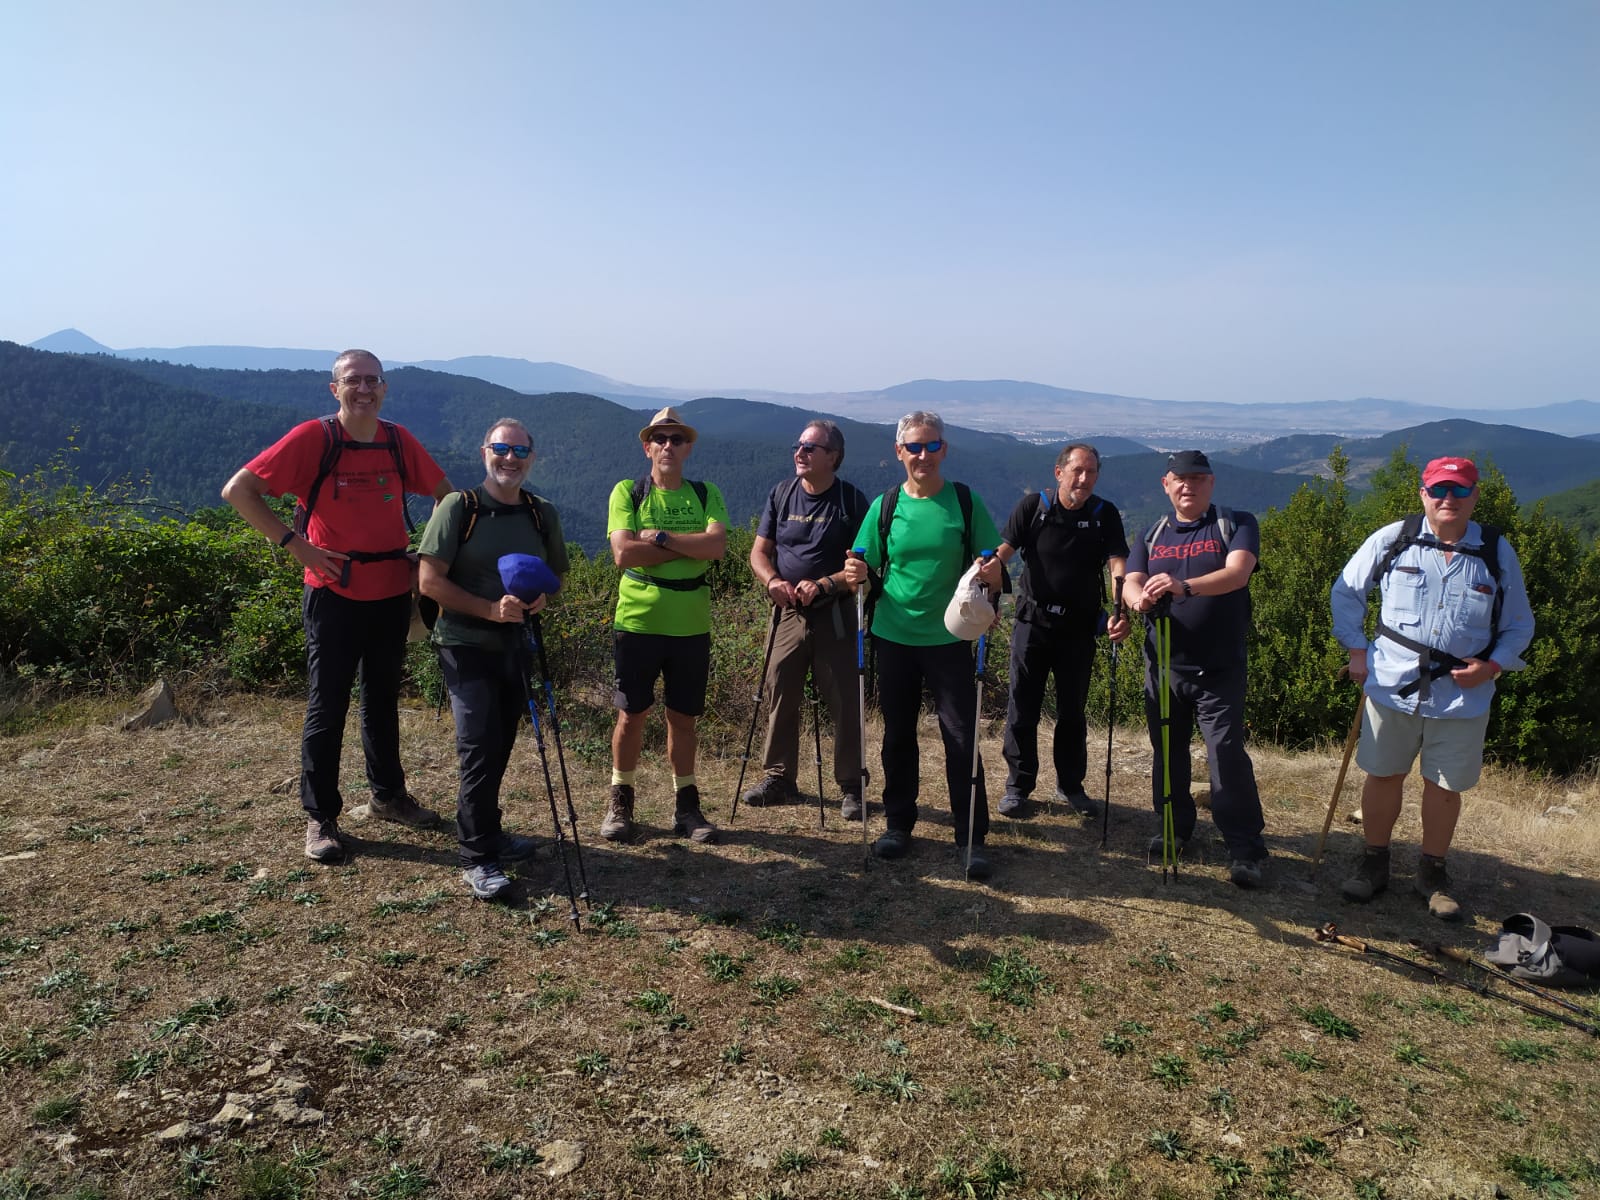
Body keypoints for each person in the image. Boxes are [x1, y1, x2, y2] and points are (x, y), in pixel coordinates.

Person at [222, 349, 452, 863]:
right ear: (335, 389)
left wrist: (427, 559)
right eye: (353, 380)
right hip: (333, 594)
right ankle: (321, 816)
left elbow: (447, 497)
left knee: (382, 701)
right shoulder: (315, 438)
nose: (363, 389)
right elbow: (239, 491)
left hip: (390, 592)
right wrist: (296, 545)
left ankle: (387, 796)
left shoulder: (397, 440)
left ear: (384, 388)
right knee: (328, 706)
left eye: (372, 380)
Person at [1329, 456, 1534, 920]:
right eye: (1439, 489)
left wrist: (1493, 666)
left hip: (1463, 694)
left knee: (1444, 786)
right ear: (1423, 493)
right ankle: (1373, 863)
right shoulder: (1394, 538)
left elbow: (1519, 623)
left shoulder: (1496, 551)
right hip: (1393, 682)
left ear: (1474, 496)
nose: (1448, 499)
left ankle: (1432, 874)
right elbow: (1346, 591)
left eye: (1460, 490)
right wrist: (1356, 649)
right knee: (1383, 774)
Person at [842, 412, 1005, 878]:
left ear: (944, 450)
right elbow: (863, 569)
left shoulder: (964, 502)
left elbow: (993, 565)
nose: (923, 455)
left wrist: (993, 574)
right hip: (893, 637)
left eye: (932, 446)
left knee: (961, 737)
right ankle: (898, 825)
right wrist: (856, 574)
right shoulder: (886, 505)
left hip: (951, 637)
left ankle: (970, 835)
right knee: (897, 735)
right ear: (899, 452)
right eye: (914, 447)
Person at [416, 419, 570, 901]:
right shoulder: (458, 508)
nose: (510, 458)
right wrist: (488, 609)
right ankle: (477, 857)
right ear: (485, 452)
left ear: (532, 458)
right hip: (464, 643)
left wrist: (542, 598)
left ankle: (490, 832)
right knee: (479, 745)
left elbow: (556, 576)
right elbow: (429, 581)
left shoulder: (541, 513)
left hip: (515, 646)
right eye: (501, 449)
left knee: (500, 742)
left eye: (520, 451)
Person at [1121, 450, 1269, 888]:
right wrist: (1137, 600)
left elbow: (1238, 573)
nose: (1188, 485)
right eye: (1180, 479)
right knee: (1167, 751)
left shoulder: (1235, 523)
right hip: (1163, 665)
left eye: (1198, 478)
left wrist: (1183, 587)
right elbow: (1131, 579)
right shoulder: (1153, 533)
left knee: (1225, 754)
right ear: (1166, 484)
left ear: (1211, 483)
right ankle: (1173, 829)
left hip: (1218, 667)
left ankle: (1244, 848)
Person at [602, 406, 729, 844]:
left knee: (683, 719)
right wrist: (689, 546)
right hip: (637, 622)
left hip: (691, 625)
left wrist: (658, 538)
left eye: (677, 439)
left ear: (688, 447)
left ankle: (687, 808)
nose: (668, 445)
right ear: (647, 447)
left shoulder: (705, 492)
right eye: (660, 438)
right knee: (631, 715)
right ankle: (620, 802)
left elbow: (717, 546)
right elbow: (623, 554)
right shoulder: (628, 492)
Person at [994, 442, 1131, 819]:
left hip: (1079, 628)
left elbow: (1118, 565)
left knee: (1072, 711)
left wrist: (1120, 610)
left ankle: (1070, 786)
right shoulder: (1033, 507)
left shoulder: (1104, 513)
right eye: (1077, 471)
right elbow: (1004, 552)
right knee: (1022, 707)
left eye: (1091, 472)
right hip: (1032, 623)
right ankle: (1018, 786)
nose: (1084, 479)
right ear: (1059, 473)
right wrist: (983, 579)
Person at [744, 421, 871, 819]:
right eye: (798, 445)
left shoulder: (850, 501)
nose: (800, 452)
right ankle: (779, 778)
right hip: (788, 612)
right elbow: (758, 553)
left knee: (845, 699)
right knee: (780, 690)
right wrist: (773, 581)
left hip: (835, 614)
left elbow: (863, 565)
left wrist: (825, 584)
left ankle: (852, 785)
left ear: (833, 456)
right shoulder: (782, 493)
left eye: (810, 447)